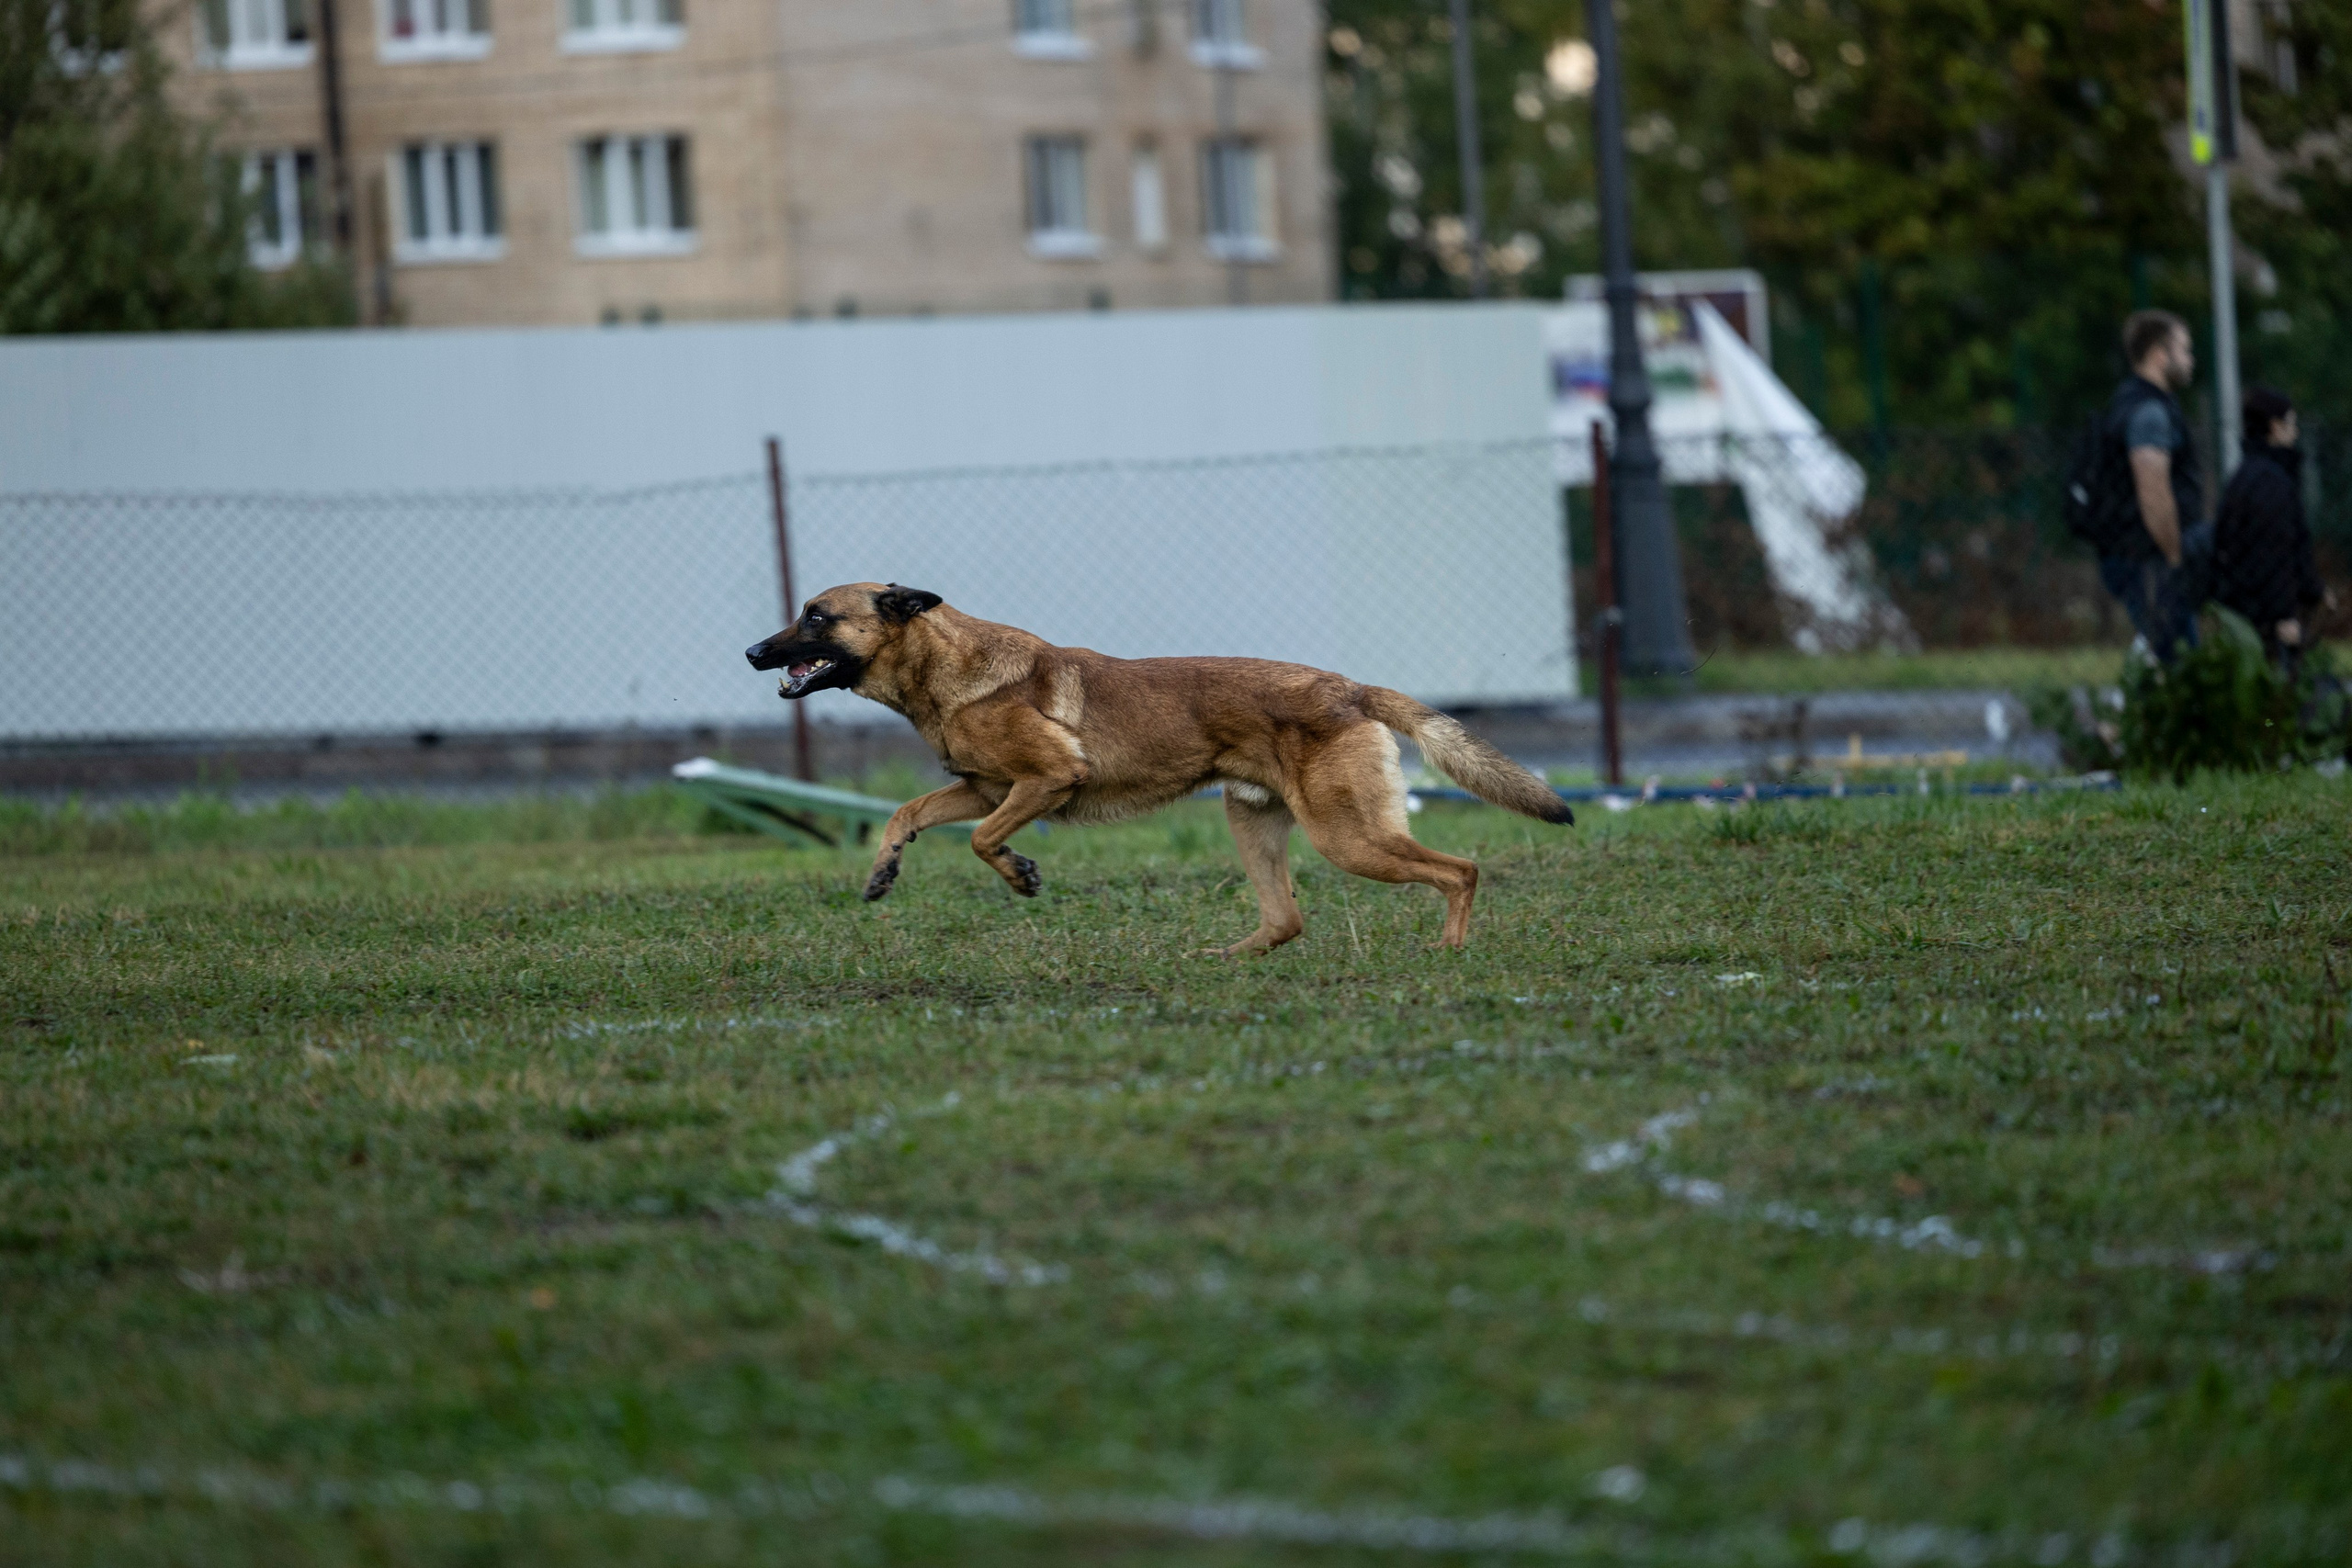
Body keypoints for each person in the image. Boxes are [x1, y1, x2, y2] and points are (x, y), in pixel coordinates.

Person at [2096, 310, 2210, 660]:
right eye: (2184, 350)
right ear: (2160, 355)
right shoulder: (2149, 414)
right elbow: (2154, 495)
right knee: (2176, 658)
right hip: (2150, 559)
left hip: (2140, 555)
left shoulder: (2135, 402)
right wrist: (2175, 558)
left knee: (2169, 654)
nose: (2190, 360)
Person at [2213, 385, 2335, 680]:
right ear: (2275, 427)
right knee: (2283, 689)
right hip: (2268, 619)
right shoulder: (2271, 483)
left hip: (2247, 610)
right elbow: (2273, 552)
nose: (2295, 432)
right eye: (2291, 423)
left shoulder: (2244, 477)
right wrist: (2282, 616)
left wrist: (2314, 589)